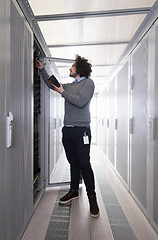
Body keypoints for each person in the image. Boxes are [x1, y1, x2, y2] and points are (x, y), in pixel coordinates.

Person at [35, 55, 99, 218]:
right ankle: (73, 190)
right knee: (73, 163)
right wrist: (42, 69)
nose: (70, 68)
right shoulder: (70, 86)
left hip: (81, 130)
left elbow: (81, 101)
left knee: (84, 163)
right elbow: (53, 84)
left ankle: (92, 198)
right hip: (68, 130)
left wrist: (62, 92)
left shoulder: (88, 83)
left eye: (72, 66)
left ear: (79, 69)